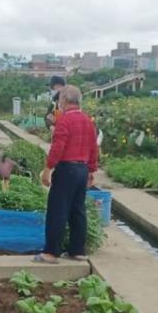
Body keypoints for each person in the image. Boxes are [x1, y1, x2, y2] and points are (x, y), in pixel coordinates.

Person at [35, 84, 98, 264]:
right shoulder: (87, 120)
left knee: (58, 210)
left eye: (59, 99)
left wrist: (47, 169)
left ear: (63, 100)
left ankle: (51, 253)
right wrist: (91, 171)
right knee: (78, 211)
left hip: (67, 169)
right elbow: (93, 147)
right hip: (82, 169)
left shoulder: (64, 120)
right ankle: (77, 250)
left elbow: (58, 148)